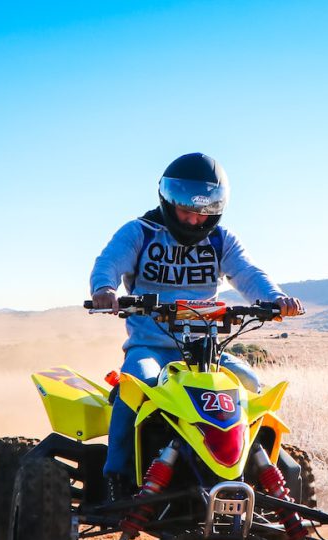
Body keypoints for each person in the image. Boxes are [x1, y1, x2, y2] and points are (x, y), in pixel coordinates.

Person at [89, 153, 304, 500]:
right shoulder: (140, 232)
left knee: (250, 384)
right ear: (168, 200)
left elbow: (248, 273)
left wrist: (276, 298)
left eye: (203, 212)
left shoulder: (221, 240)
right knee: (136, 385)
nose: (193, 219)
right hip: (151, 348)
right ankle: (117, 478)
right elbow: (109, 262)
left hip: (207, 352)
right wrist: (104, 289)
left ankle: (256, 477)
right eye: (186, 210)